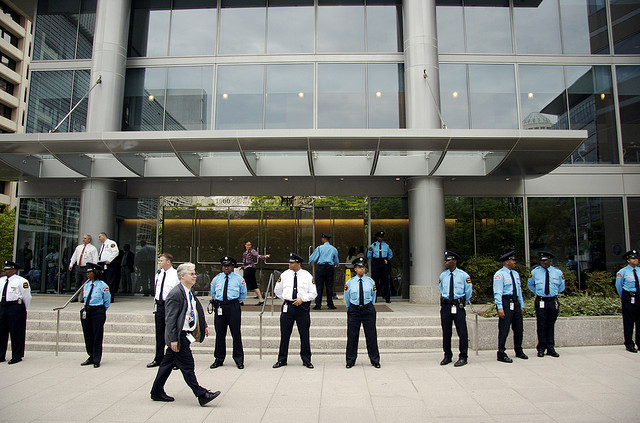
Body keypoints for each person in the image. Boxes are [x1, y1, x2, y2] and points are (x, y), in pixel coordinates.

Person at [150, 262, 220, 407]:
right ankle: (201, 394)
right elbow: (170, 320)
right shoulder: (175, 294)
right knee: (187, 366)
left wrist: (204, 324)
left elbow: (196, 308)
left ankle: (156, 391)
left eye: (194, 273)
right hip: (179, 336)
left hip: (186, 334)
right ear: (182, 276)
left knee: (167, 365)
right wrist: (173, 340)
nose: (195, 276)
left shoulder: (188, 291)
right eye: (192, 274)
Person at [273, 253, 317, 369]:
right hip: (289, 306)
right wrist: (288, 299)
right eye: (290, 262)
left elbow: (313, 293)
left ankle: (306, 359)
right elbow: (277, 290)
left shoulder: (307, 276)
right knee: (285, 334)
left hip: (302, 307)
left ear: (298, 263)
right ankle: (282, 359)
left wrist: (302, 299)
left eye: (292, 262)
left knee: (304, 334)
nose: (290, 264)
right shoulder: (285, 275)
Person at [210, 256, 247, 369]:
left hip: (233, 306)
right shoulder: (217, 278)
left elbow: (243, 294)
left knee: (236, 333)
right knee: (220, 334)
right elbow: (213, 292)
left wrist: (234, 302)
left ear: (232, 267)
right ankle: (219, 358)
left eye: (228, 266)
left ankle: (239, 359)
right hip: (220, 306)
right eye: (224, 266)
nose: (226, 268)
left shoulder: (239, 279)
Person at [344, 257, 380, 369]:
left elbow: (373, 296)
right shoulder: (350, 282)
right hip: (354, 310)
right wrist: (350, 308)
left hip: (367, 309)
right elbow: (347, 297)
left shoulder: (370, 281)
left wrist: (369, 306)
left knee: (371, 335)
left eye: (363, 267)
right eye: (360, 267)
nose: (362, 270)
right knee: (352, 336)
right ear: (355, 269)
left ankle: (375, 360)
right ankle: (350, 360)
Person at [527, 251, 565, 358]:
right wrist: (539, 293)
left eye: (545, 261)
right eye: (542, 261)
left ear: (550, 261)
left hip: (553, 300)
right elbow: (530, 285)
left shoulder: (557, 272)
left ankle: (551, 348)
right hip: (541, 300)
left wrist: (554, 293)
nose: (543, 263)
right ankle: (541, 348)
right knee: (541, 324)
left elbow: (561, 287)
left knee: (551, 324)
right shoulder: (535, 272)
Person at [439, 250, 472, 367]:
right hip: (446, 306)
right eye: (445, 260)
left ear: (454, 261)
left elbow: (468, 292)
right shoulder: (443, 275)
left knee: (462, 332)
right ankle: (447, 355)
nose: (445, 262)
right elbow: (441, 289)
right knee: (446, 331)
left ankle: (463, 356)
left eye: (448, 260)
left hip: (458, 305)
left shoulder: (463, 275)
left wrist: (462, 302)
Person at [493, 251, 527, 363]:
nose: (515, 262)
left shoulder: (515, 274)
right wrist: (500, 307)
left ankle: (519, 350)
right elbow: (497, 292)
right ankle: (501, 353)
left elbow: (519, 291)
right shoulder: (499, 274)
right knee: (504, 329)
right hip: (506, 302)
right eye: (513, 260)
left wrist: (521, 305)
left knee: (519, 328)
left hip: (516, 302)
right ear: (507, 262)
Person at [147, 253, 180, 368]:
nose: (159, 263)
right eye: (159, 261)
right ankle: (158, 358)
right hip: (159, 305)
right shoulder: (159, 274)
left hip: (170, 305)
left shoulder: (175, 274)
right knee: (159, 333)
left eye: (161, 261)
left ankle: (175, 360)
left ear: (168, 262)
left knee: (171, 333)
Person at [80, 262, 111, 368]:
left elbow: (107, 301)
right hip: (87, 311)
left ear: (95, 273)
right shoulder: (87, 285)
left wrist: (101, 310)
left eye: (90, 272)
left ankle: (97, 358)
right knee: (88, 335)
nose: (87, 274)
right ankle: (91, 356)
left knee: (97, 335)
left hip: (98, 311)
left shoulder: (103, 285)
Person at [0, 261, 31, 364]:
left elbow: (27, 297)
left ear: (13, 270)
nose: (5, 271)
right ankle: (1, 355)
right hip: (2, 307)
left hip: (15, 307)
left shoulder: (21, 281)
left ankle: (17, 355)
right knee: (1, 332)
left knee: (17, 332)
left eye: (7, 269)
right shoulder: (1, 280)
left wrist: (22, 309)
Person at [615, 249, 640, 353]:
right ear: (628, 260)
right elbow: (619, 287)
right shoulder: (622, 272)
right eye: (633, 258)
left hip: (639, 297)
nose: (636, 260)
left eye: (637, 258)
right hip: (629, 297)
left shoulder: (639, 270)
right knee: (629, 322)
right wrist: (624, 298)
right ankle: (629, 344)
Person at [309, 232, 339, 310]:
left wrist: (311, 262)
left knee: (319, 286)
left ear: (324, 239)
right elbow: (336, 259)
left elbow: (313, 257)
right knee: (329, 286)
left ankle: (318, 304)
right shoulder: (333, 248)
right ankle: (330, 304)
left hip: (321, 267)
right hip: (330, 267)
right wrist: (336, 264)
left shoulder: (319, 248)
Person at [68, 234, 99, 302]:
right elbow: (74, 256)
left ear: (89, 240)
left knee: (85, 283)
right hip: (79, 267)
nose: (84, 239)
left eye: (85, 238)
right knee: (77, 283)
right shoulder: (79, 247)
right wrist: (71, 264)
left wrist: (93, 268)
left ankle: (84, 297)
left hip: (87, 268)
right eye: (83, 238)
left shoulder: (92, 248)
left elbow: (95, 259)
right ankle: (75, 297)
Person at [367, 231, 393, 303]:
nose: (380, 238)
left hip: (383, 262)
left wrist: (386, 260)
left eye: (381, 237)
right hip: (376, 262)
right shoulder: (373, 245)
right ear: (377, 237)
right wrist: (373, 261)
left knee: (385, 280)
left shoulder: (386, 245)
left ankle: (387, 297)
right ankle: (374, 298)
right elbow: (369, 255)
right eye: (379, 237)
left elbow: (390, 254)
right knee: (375, 280)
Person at [241, 240, 270, 306]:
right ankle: (261, 300)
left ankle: (240, 300)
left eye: (250, 245)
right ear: (245, 245)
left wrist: (264, 257)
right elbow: (244, 263)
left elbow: (258, 256)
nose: (249, 246)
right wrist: (242, 267)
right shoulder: (244, 253)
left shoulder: (252, 251)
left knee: (243, 283)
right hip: (247, 268)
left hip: (250, 268)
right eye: (247, 245)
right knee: (253, 284)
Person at [98, 232, 119, 301]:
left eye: (100, 237)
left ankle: (110, 297)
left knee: (110, 281)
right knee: (103, 280)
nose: (99, 238)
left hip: (109, 264)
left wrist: (109, 260)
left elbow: (116, 252)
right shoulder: (103, 245)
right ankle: (104, 297)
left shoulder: (111, 243)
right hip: (102, 264)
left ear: (104, 236)